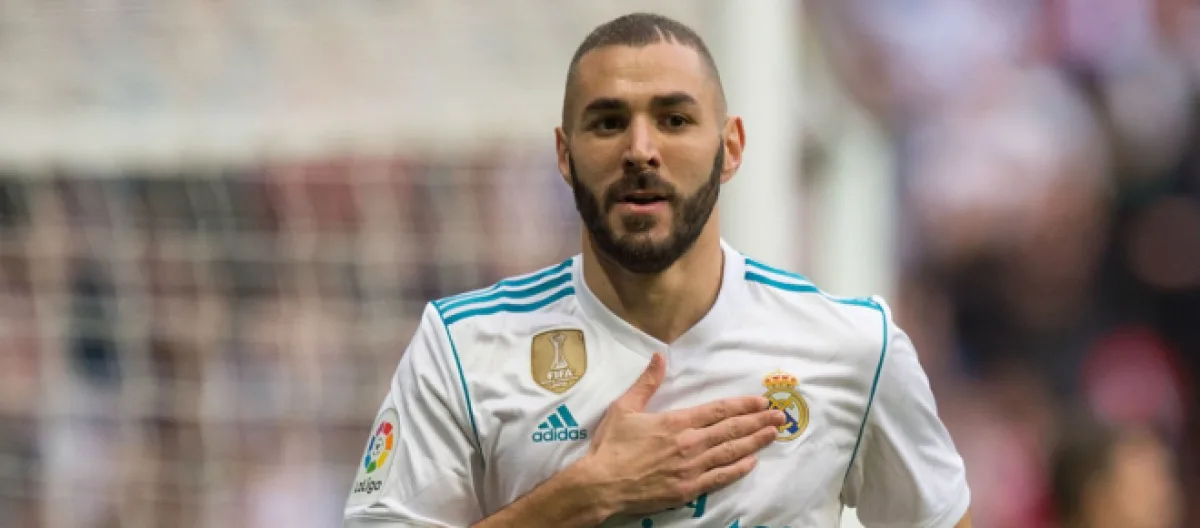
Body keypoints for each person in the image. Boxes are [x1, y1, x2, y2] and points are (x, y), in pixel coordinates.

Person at [343, 12, 972, 528]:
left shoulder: (855, 346)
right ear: (564, 154)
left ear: (731, 148)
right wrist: (587, 494)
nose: (640, 150)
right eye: (608, 122)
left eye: (674, 119)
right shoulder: (463, 346)